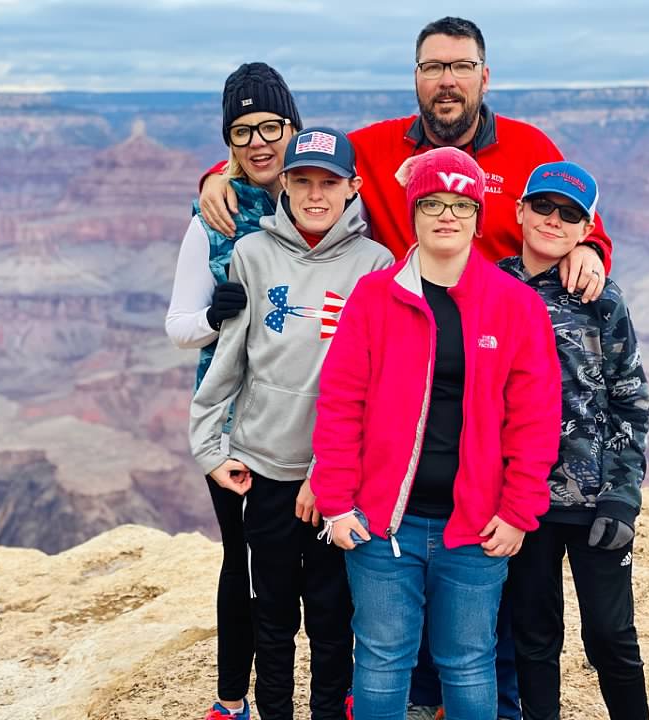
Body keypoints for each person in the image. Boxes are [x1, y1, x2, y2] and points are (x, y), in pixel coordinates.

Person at [310, 147, 562, 720]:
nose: (446, 216)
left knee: (469, 663)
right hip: (380, 525)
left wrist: (521, 508)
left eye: (460, 204)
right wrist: (335, 503)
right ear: (413, 211)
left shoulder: (515, 306)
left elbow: (535, 418)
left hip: (474, 528)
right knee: (380, 660)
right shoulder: (374, 299)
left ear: (477, 215)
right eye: (431, 203)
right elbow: (341, 405)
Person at [189, 125, 393, 720]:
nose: (314, 195)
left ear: (352, 187)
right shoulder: (253, 254)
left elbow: (376, 388)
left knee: (332, 619)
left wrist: (329, 475)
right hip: (266, 470)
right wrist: (209, 449)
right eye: (302, 180)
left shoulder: (374, 265)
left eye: (329, 183)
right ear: (284, 182)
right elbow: (228, 362)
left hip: (335, 484)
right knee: (273, 617)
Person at [198, 17, 612, 306]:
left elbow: (583, 219)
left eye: (462, 67)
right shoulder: (375, 146)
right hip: (407, 336)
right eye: (433, 68)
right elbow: (305, 161)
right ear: (416, 78)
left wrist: (588, 251)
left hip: (499, 339)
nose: (447, 81)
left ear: (484, 78)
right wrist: (222, 173)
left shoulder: (529, 147)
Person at [166, 61, 301, 720]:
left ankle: (347, 690)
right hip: (234, 425)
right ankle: (232, 699)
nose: (258, 141)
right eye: (241, 131)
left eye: (270, 125)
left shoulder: (325, 199)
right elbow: (177, 327)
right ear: (227, 143)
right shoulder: (212, 215)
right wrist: (214, 318)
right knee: (244, 561)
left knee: (324, 562)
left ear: (292, 126)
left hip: (314, 417)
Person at [499, 161, 649, 720]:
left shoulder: (602, 299)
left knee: (611, 635)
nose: (552, 220)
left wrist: (622, 496)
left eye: (569, 214)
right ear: (519, 210)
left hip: (594, 503)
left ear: (587, 229)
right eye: (542, 206)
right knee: (534, 638)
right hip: (522, 502)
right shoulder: (488, 285)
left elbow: (629, 401)